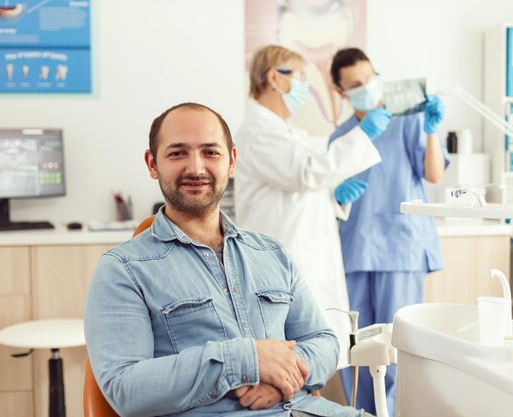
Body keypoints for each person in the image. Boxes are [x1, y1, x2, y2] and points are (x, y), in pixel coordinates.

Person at [84, 102, 375, 417]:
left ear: (232, 161)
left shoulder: (272, 253)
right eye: (177, 153)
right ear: (152, 164)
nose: (196, 168)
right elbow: (126, 390)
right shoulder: (123, 269)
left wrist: (279, 379)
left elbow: (324, 342)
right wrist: (243, 361)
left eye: (210, 152)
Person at [234, 45, 390, 368]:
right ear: (275, 78)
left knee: (310, 358)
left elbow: (304, 187)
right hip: (280, 262)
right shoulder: (258, 130)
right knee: (292, 360)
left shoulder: (289, 132)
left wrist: (334, 197)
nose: (304, 86)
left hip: (301, 257)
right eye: (300, 78)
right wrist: (363, 134)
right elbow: (304, 174)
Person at [329, 47, 449, 417]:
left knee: (398, 347)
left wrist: (431, 131)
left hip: (401, 246)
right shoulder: (341, 138)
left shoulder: (408, 119)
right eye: (355, 84)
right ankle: (362, 413)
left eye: (369, 78)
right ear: (340, 91)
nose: (365, 87)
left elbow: (434, 175)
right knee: (359, 348)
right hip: (354, 251)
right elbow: (328, 196)